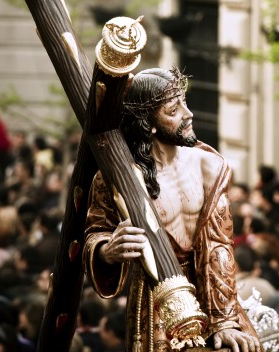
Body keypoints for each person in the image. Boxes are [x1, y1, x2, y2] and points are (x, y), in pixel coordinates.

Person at [83, 67, 261, 352]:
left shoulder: (210, 166)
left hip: (210, 287)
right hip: (157, 296)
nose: (188, 114)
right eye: (174, 110)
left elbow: (219, 245)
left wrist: (224, 320)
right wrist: (107, 250)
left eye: (185, 103)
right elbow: (95, 232)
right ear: (149, 122)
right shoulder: (116, 177)